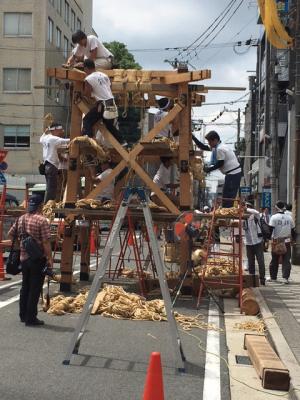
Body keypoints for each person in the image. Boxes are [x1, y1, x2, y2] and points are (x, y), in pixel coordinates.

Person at [8, 194, 52, 326]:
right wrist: (49, 258)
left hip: (23, 258)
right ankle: (31, 318)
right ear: (41, 206)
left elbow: (11, 235)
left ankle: (23, 315)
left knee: (25, 287)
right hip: (37, 259)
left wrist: (20, 246)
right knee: (35, 288)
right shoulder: (42, 220)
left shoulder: (21, 218)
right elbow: (45, 242)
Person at [192, 131, 241, 207]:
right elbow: (203, 147)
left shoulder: (220, 149)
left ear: (215, 140)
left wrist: (209, 169)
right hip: (233, 174)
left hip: (233, 174)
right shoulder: (218, 146)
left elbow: (220, 163)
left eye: (209, 142)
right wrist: (193, 138)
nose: (209, 144)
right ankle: (226, 214)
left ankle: (226, 215)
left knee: (228, 198)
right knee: (226, 197)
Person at [82, 59, 125, 144]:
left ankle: (89, 139)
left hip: (102, 105)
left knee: (87, 120)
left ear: (86, 68)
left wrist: (82, 94)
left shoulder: (88, 78)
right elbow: (108, 87)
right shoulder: (104, 75)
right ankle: (122, 142)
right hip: (111, 103)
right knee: (109, 126)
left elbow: (87, 93)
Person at [40, 123, 70, 203]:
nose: (61, 132)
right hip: (52, 166)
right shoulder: (53, 139)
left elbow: (41, 138)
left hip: (46, 166)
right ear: (55, 130)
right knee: (52, 188)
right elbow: (66, 141)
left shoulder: (45, 138)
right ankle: (48, 205)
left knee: (49, 187)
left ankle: (47, 204)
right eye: (60, 130)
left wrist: (45, 131)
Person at [268, 200, 296, 284]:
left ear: (276, 208)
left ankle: (273, 277)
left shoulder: (274, 217)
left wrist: (267, 239)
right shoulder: (289, 217)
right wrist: (293, 240)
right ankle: (285, 278)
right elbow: (293, 230)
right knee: (286, 260)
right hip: (287, 241)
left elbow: (270, 229)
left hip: (276, 241)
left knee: (274, 259)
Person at [243, 202, 266, 285]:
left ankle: (262, 279)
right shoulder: (243, 218)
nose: (245, 211)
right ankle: (252, 280)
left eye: (247, 208)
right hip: (248, 243)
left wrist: (246, 209)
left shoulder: (255, 216)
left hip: (258, 241)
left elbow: (256, 212)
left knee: (260, 261)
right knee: (251, 262)